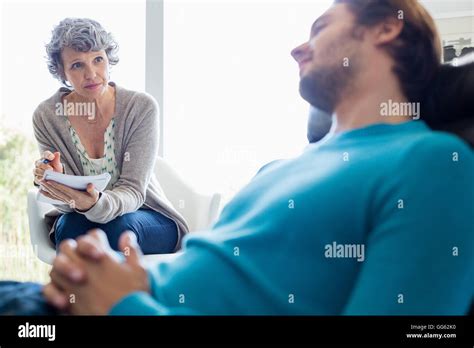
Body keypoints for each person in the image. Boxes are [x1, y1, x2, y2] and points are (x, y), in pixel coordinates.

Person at [1, 0, 473, 315]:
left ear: (388, 26)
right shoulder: (278, 171)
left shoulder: (433, 164)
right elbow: (210, 267)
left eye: (321, 28)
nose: (296, 48)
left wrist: (125, 305)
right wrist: (110, 272)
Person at [32, 18, 188, 254]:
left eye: (98, 60)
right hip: (82, 218)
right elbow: (65, 205)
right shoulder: (47, 116)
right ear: (62, 71)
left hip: (145, 215)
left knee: (117, 230)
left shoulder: (140, 107)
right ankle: (93, 292)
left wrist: (95, 204)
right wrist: (53, 181)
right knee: (66, 228)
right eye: (77, 65)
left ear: (108, 59)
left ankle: (107, 291)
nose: (92, 74)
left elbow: (134, 192)